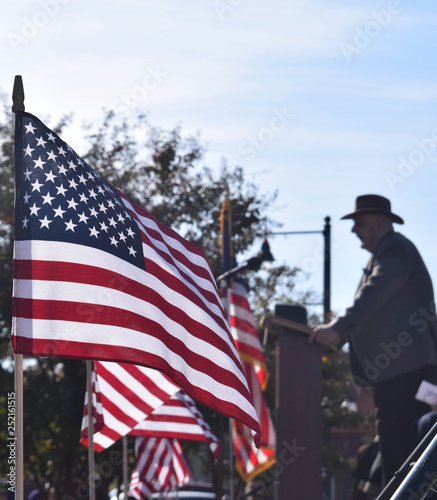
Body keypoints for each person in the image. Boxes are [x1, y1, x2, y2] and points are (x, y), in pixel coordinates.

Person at [309, 194, 437, 485]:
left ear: (381, 223)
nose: (354, 230)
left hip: (407, 373)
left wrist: (337, 329)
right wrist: (364, 382)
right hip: (399, 373)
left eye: (360, 223)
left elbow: (374, 296)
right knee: (400, 454)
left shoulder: (395, 250)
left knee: (403, 455)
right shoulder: (386, 254)